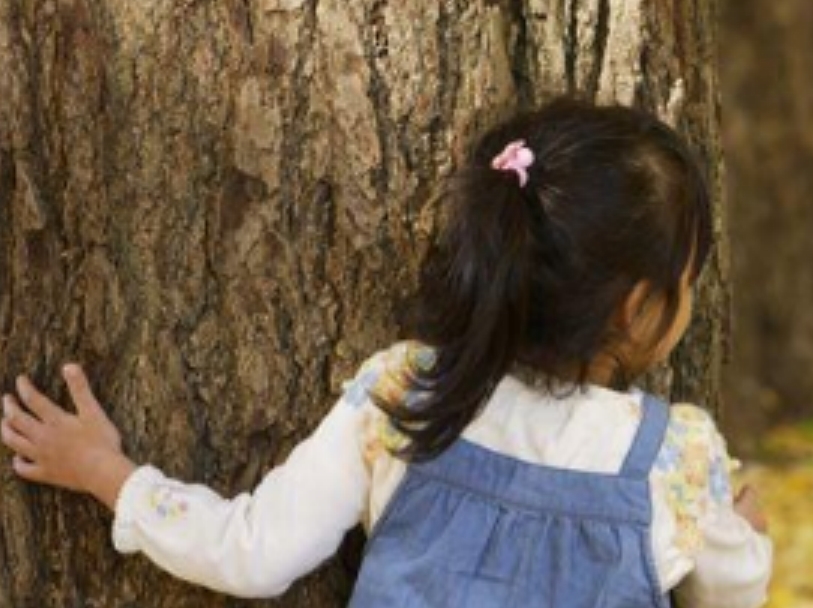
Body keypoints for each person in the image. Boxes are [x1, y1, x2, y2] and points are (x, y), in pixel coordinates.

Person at [0, 100, 772, 607]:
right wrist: (744, 537)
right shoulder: (673, 457)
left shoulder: (406, 395)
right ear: (639, 307)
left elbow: (256, 552)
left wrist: (107, 474)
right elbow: (732, 593)